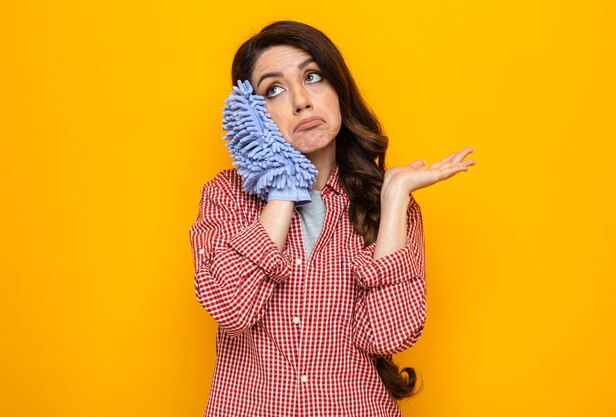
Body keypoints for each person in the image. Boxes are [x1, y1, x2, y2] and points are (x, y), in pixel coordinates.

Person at [189, 21, 475, 417]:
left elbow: (387, 334)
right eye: (274, 89)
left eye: (313, 77)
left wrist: (393, 199)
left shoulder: (387, 206)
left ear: (339, 90)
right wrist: (283, 185)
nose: (301, 101)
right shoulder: (226, 197)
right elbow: (232, 309)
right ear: (251, 115)